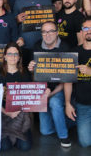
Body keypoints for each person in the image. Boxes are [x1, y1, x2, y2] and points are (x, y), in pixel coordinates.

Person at [28, 21, 71, 147]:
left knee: (55, 103)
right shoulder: (37, 46)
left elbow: (67, 78)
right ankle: (66, 121)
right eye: (44, 32)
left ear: (57, 33)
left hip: (59, 88)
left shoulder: (65, 48)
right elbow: (36, 76)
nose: (48, 35)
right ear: (41, 34)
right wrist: (31, 69)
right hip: (43, 88)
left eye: (51, 31)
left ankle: (64, 136)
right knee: (45, 131)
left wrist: (51, 93)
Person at [0, 42, 33, 151]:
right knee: (4, 147)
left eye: (16, 54)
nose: (13, 57)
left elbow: (30, 97)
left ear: (19, 57)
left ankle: (18, 133)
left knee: (25, 147)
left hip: (20, 114)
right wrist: (6, 112)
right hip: (1, 114)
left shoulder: (25, 74)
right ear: (5, 56)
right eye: (10, 54)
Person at [13, 0, 51, 65]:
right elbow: (12, 24)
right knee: (25, 73)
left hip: (43, 45)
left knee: (41, 74)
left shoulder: (46, 0)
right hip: (24, 45)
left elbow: (52, 22)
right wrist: (17, 20)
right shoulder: (18, 1)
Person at [64, 17, 91, 147]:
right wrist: (68, 103)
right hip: (83, 105)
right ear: (81, 32)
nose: (89, 31)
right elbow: (68, 81)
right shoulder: (74, 52)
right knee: (85, 143)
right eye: (86, 28)